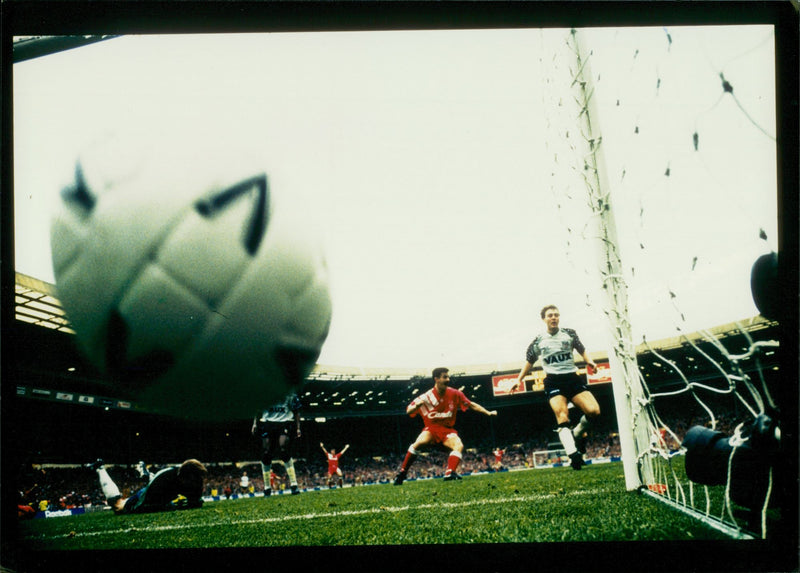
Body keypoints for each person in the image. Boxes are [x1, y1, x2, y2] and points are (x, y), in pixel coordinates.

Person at [515, 304, 600, 470]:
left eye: (556, 315)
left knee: (594, 411)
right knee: (562, 416)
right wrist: (518, 379)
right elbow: (529, 362)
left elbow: (581, 349)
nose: (553, 317)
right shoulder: (538, 341)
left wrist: (589, 361)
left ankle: (576, 433)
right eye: (550, 315)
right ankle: (573, 454)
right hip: (553, 381)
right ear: (544, 319)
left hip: (573, 379)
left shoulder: (569, 334)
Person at [394, 367, 498, 485]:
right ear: (436, 379)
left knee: (458, 445)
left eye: (448, 377)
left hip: (448, 431)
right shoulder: (426, 397)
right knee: (417, 443)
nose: (448, 379)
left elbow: (471, 405)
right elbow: (408, 411)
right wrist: (416, 406)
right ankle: (402, 472)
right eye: (445, 377)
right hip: (431, 429)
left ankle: (450, 472)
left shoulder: (454, 393)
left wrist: (488, 413)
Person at [86, 458, 207, 514]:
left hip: (162, 493)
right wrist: (173, 506)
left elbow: (195, 502)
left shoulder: (195, 480)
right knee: (118, 506)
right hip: (147, 496)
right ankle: (100, 468)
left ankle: (146, 474)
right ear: (184, 478)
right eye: (193, 481)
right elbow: (143, 506)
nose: (196, 484)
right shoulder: (163, 479)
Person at [252, 392, 303, 495]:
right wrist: (255, 423)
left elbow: (297, 412)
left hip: (284, 422)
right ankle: (267, 487)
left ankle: (294, 484)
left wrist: (298, 428)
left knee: (283, 449)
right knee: (266, 454)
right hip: (268, 423)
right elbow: (258, 409)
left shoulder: (290, 394)